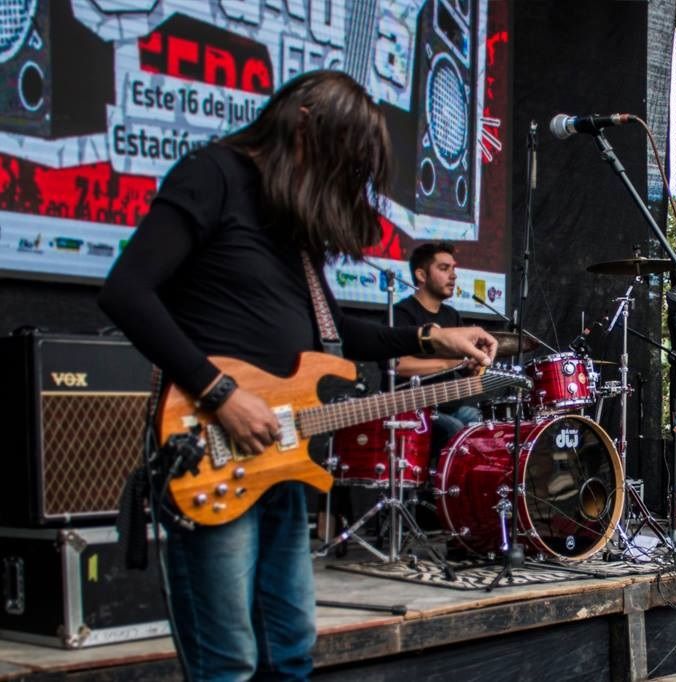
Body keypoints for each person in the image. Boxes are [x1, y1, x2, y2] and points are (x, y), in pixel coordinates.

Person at [98, 70, 496, 680]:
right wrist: (220, 393)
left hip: (281, 457)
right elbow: (127, 292)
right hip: (213, 446)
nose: (340, 185)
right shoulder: (214, 175)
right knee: (228, 658)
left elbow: (336, 334)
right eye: (340, 162)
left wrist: (431, 335)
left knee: (291, 649)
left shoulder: (292, 228)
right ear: (305, 125)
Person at [393, 242, 483, 445]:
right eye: (444, 268)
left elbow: (462, 366)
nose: (453, 275)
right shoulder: (402, 313)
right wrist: (448, 364)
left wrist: (472, 367)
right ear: (421, 275)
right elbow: (397, 365)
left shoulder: (452, 316)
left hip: (449, 405)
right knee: (455, 430)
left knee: (480, 424)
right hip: (410, 408)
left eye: (454, 269)